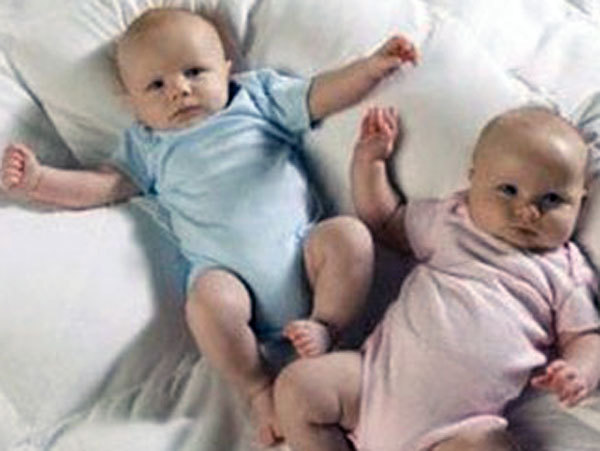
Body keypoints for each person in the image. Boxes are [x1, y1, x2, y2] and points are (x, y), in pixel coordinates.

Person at [0, 7, 418, 446]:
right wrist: (40, 182)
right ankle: (257, 389)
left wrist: (371, 68)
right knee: (206, 302)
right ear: (132, 102)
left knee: (348, 235)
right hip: (231, 280)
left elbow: (319, 94)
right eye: (156, 86)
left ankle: (326, 326)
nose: (179, 90)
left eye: (194, 72)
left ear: (226, 68)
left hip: (305, 254)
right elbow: (104, 185)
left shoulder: (256, 98)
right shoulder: (147, 146)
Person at [274, 106, 600, 451]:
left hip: (457, 430)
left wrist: (578, 371)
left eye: (552, 199)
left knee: (489, 446)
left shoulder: (566, 271)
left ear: (580, 202)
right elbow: (385, 221)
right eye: (508, 190)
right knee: (298, 387)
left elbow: (585, 337)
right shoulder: (451, 220)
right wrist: (369, 163)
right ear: (474, 180)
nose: (527, 211)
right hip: (371, 385)